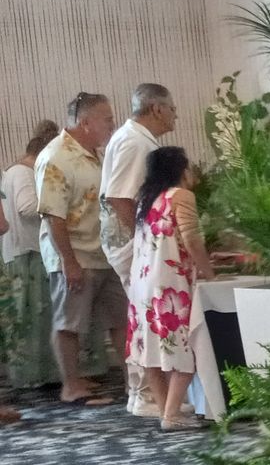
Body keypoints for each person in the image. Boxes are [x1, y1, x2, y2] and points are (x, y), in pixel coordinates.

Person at [35, 92, 124, 406]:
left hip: (105, 252)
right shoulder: (56, 157)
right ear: (85, 123)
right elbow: (52, 215)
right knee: (69, 323)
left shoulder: (95, 154)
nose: (112, 125)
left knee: (121, 318)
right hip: (74, 255)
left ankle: (137, 381)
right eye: (107, 119)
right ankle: (71, 385)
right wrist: (68, 261)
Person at [101, 83, 177, 418]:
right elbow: (120, 197)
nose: (175, 116)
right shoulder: (135, 141)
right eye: (172, 109)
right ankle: (146, 395)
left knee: (143, 315)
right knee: (147, 317)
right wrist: (146, 239)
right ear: (157, 108)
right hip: (132, 243)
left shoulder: (134, 138)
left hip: (131, 241)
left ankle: (142, 393)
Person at [127, 145, 213, 431]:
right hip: (170, 282)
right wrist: (208, 271)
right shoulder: (181, 196)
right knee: (184, 347)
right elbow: (192, 240)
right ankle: (172, 414)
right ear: (181, 169)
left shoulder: (145, 200)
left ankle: (166, 410)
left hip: (142, 282)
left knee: (152, 350)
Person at [1, 119, 60, 397]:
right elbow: (26, 207)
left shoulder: (14, 172)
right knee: (33, 317)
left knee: (36, 316)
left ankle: (40, 374)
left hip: (25, 251)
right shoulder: (23, 173)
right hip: (27, 251)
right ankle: (33, 375)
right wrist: (58, 206)